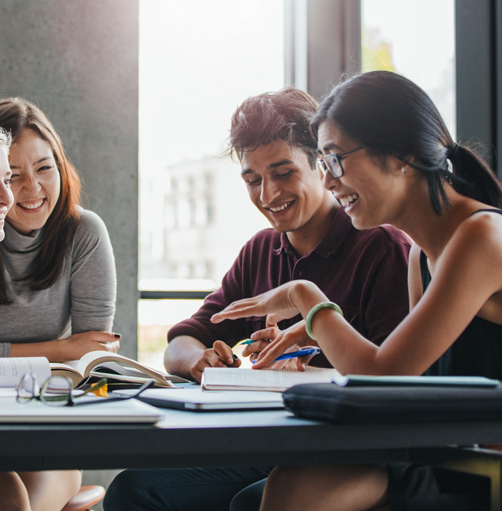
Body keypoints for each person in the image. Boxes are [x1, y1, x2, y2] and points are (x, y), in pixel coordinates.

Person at [104, 87, 412, 511]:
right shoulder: (261, 250)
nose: (267, 195)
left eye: (283, 173)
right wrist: (198, 361)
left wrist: (316, 348)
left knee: (252, 503)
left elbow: (397, 380)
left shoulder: (380, 246)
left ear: (322, 165)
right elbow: (182, 340)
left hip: (351, 453)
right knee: (132, 490)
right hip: (272, 444)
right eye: (252, 180)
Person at [211, 70, 502, 511]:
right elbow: (400, 393)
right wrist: (318, 335)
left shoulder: (481, 235)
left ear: (401, 154)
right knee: (280, 489)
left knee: (291, 491)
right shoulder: (419, 258)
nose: (327, 181)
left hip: (482, 474)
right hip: (442, 459)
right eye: (324, 163)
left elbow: (383, 378)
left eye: (335, 159)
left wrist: (307, 299)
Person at [0, 97, 118, 511]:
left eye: (44, 168)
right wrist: (61, 349)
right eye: (12, 176)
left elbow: (92, 358)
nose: (32, 189)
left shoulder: (84, 232)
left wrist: (68, 354)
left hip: (51, 420)